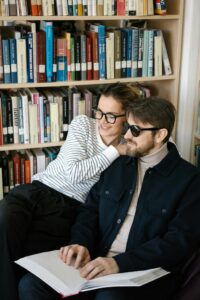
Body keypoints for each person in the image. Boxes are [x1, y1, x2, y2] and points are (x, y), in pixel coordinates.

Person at [19, 96, 200, 300]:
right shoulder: (118, 164)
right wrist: (81, 244)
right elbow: (90, 211)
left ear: (160, 135)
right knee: (31, 285)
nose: (127, 136)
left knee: (110, 297)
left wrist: (119, 263)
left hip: (144, 272)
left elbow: (178, 241)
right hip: (97, 262)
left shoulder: (189, 180)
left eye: (136, 130)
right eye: (127, 127)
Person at [0, 83, 138, 300]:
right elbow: (73, 173)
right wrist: (114, 151)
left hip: (69, 208)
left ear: (128, 118)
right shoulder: (83, 124)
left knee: (31, 255)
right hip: (38, 191)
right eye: (100, 112)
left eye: (111, 116)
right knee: (4, 223)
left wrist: (122, 149)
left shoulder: (130, 146)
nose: (102, 120)